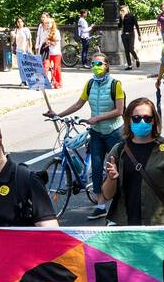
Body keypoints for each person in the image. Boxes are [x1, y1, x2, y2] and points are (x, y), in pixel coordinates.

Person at [45, 52, 126, 219]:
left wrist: (98, 118)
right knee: (96, 167)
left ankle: (124, 200)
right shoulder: (90, 84)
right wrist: (58, 114)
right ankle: (101, 205)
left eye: (99, 64)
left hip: (114, 132)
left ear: (107, 66)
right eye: (93, 64)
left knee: (119, 167)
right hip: (96, 132)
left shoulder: (115, 85)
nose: (95, 67)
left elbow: (120, 110)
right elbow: (78, 104)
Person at [101, 97, 164, 225]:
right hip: (124, 228)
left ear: (154, 121)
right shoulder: (118, 151)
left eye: (147, 118)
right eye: (136, 118)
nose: (142, 122)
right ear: (129, 120)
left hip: (159, 227)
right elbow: (106, 196)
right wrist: (111, 179)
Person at [36, 13, 62, 89]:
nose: (47, 24)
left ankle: (57, 83)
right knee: (45, 67)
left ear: (52, 24)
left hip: (56, 52)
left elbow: (55, 42)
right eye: (46, 23)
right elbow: (42, 40)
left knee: (56, 68)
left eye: (49, 23)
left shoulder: (56, 31)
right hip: (48, 53)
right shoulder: (45, 31)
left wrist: (49, 42)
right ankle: (43, 82)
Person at [120, 4, 140, 70]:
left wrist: (139, 35)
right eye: (121, 10)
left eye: (123, 10)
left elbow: (136, 26)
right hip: (124, 34)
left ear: (126, 9)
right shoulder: (121, 17)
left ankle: (136, 58)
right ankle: (129, 65)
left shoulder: (132, 16)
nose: (122, 12)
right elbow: (119, 26)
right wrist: (122, 19)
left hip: (131, 34)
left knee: (131, 48)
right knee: (126, 50)